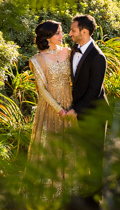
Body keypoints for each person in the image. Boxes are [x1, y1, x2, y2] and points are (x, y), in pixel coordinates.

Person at [63, 13, 109, 184]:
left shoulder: (98, 57)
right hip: (80, 111)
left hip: (95, 112)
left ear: (84, 32)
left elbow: (94, 90)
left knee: (95, 154)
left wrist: (76, 110)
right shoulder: (73, 51)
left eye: (73, 30)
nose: (70, 34)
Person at [27, 21, 75, 162]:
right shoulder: (37, 60)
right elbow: (42, 89)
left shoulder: (68, 52)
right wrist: (59, 109)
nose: (62, 35)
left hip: (71, 102)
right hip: (50, 108)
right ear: (48, 37)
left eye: (61, 31)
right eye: (58, 33)